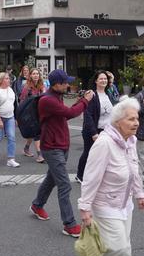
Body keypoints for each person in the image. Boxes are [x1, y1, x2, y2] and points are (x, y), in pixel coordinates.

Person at [78, 96, 144, 256]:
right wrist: (85, 208)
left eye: (136, 118)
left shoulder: (130, 141)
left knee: (125, 247)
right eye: (130, 119)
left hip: (124, 204)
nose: (136, 123)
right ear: (118, 121)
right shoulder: (104, 143)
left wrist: (139, 193)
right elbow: (90, 178)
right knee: (118, 246)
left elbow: (134, 169)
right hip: (105, 204)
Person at [29, 69, 94, 238]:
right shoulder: (47, 100)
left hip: (60, 145)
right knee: (64, 185)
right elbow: (70, 113)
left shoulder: (56, 97)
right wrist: (85, 101)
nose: (68, 85)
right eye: (65, 82)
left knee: (52, 179)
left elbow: (65, 114)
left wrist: (80, 101)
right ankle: (69, 224)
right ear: (57, 84)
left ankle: (37, 205)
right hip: (52, 148)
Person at [77, 70, 113, 183]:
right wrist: (94, 133)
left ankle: (97, 176)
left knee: (103, 155)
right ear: (96, 81)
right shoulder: (92, 94)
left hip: (106, 130)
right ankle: (80, 175)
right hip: (92, 131)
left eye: (105, 79)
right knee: (88, 153)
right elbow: (88, 115)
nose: (104, 81)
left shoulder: (109, 94)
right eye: (101, 79)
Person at [20, 68, 46, 163]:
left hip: (39, 112)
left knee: (33, 133)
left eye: (37, 74)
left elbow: (46, 98)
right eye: (34, 74)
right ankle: (40, 155)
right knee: (37, 133)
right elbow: (22, 101)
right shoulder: (27, 87)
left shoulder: (42, 86)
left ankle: (26, 148)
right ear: (30, 75)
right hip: (30, 114)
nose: (36, 75)